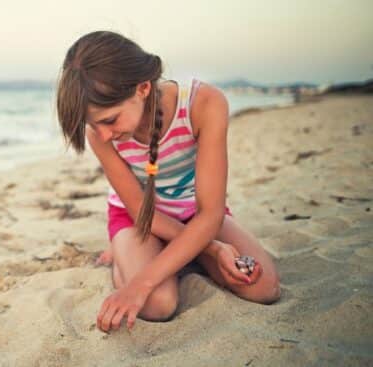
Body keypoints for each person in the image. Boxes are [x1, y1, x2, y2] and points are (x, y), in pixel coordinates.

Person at [55, 31, 281, 333]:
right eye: (92, 124)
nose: (103, 134)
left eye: (110, 120)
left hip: (196, 214)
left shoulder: (205, 104)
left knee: (263, 288)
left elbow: (211, 214)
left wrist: (196, 244)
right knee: (158, 304)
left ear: (143, 88)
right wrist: (213, 250)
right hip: (138, 220)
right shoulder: (100, 134)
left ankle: (164, 254)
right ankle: (132, 252)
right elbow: (139, 211)